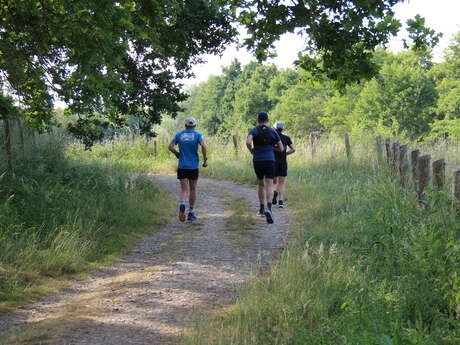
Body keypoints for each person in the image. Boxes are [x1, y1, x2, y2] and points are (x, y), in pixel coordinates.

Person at [246, 112, 284, 224]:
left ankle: (262, 209)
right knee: (270, 184)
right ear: (267, 120)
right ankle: (269, 208)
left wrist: (251, 150)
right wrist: (272, 148)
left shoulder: (254, 130)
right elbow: (281, 148)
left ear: (258, 120)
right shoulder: (273, 131)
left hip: (257, 160)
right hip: (270, 160)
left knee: (261, 184)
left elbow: (248, 141)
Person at [168, 117, 208, 222]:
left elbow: (170, 146)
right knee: (193, 189)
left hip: (182, 166)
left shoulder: (179, 135)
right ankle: (190, 213)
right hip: (193, 166)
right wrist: (205, 160)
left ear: (185, 125)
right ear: (194, 126)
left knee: (183, 189)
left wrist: (177, 154)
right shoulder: (198, 135)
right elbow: (203, 146)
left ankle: (182, 205)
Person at [272, 122, 295, 208]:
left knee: (274, 182)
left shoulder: (272, 138)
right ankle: (281, 202)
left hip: (273, 162)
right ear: (282, 129)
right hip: (282, 162)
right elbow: (293, 149)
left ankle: (274, 192)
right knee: (282, 183)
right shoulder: (286, 138)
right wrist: (285, 154)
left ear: (274, 128)